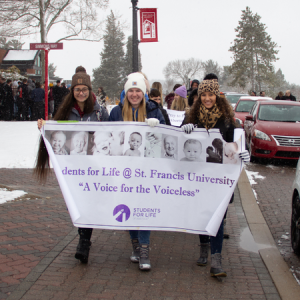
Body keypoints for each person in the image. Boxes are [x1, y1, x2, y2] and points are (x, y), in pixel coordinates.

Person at [35, 66, 109, 264]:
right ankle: (84, 237)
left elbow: (111, 131)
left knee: (90, 200)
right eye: (77, 89)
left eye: (85, 89)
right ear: (72, 91)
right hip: (74, 168)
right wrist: (45, 126)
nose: (81, 92)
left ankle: (84, 242)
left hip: (94, 166)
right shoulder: (66, 111)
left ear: (90, 90)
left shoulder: (100, 112)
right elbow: (56, 131)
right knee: (78, 201)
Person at [181, 73, 249, 278]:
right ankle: (203, 248)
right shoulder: (191, 117)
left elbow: (235, 146)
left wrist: (244, 154)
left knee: (217, 217)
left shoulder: (228, 120)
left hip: (219, 179)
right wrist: (184, 130)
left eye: (211, 94)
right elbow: (177, 143)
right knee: (203, 214)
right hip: (198, 176)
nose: (207, 98)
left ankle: (216, 261)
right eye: (204, 95)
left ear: (217, 96)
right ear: (199, 97)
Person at [109, 72, 165, 271]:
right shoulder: (116, 112)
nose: (134, 94)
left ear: (144, 93)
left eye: (138, 90)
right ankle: (135, 246)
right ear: (126, 92)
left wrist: (157, 127)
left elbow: (165, 139)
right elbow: (109, 138)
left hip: (146, 171)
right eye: (131, 90)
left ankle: (144, 250)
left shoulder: (154, 110)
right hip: (124, 171)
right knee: (129, 208)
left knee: (144, 209)